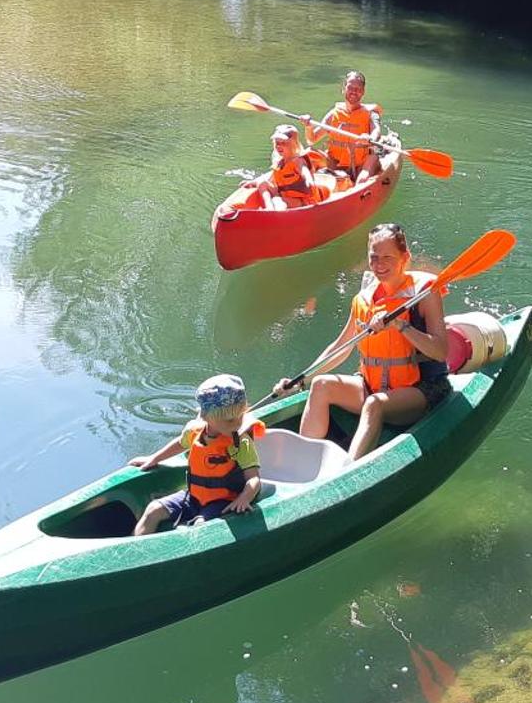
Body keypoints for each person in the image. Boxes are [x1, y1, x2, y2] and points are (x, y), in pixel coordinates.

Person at [273, 224, 450, 460]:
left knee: (374, 405)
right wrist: (301, 380)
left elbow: (440, 351)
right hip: (371, 385)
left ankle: (348, 472)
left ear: (405, 257)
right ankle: (302, 462)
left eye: (387, 257)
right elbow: (341, 347)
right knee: (322, 385)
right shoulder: (364, 299)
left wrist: (400, 325)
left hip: (419, 390)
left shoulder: (424, 293)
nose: (379, 265)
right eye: (374, 257)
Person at [129, 375, 266, 535]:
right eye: (229, 420)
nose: (237, 423)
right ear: (206, 416)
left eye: (240, 416)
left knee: (200, 527)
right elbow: (180, 444)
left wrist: (244, 498)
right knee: (153, 509)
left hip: (223, 501)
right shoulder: (194, 432)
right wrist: (154, 458)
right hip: (194, 497)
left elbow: (254, 479)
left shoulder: (240, 442)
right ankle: (134, 551)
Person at [305, 71, 384, 188]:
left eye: (358, 89)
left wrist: (369, 138)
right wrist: (308, 126)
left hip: (361, 164)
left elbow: (376, 130)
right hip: (336, 163)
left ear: (363, 92)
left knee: (362, 180)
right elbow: (311, 140)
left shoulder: (370, 113)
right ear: (344, 89)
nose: (353, 91)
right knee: (307, 155)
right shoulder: (334, 114)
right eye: (350, 87)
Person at [258, 124, 321, 210]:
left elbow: (304, 171)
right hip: (286, 197)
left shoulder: (298, 161)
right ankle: (270, 209)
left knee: (277, 200)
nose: (279, 146)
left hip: (303, 202)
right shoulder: (280, 162)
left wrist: (309, 180)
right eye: (277, 143)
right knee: (262, 183)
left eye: (283, 143)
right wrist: (253, 182)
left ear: (293, 144)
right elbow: (272, 179)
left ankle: (272, 213)